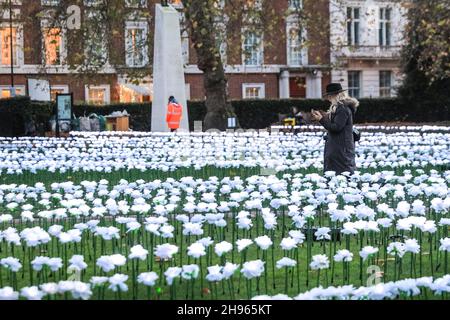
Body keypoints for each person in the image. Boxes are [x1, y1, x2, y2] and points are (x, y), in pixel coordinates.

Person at [310, 83, 359, 176]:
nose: (328, 99)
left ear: (335, 95)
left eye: (329, 96)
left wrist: (321, 119)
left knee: (345, 175)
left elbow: (336, 127)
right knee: (336, 175)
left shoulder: (343, 109)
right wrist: (322, 117)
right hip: (338, 147)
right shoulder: (338, 108)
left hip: (341, 149)